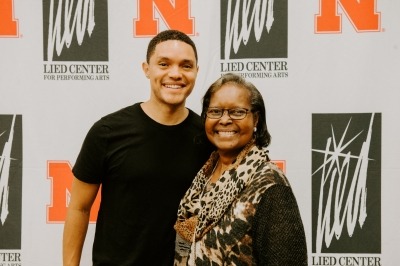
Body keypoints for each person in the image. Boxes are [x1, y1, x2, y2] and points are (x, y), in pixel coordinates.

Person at [63, 30, 213, 266]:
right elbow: (79, 208)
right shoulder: (107, 132)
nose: (175, 74)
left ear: (196, 71)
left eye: (186, 66)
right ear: (147, 69)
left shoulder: (208, 139)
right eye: (164, 64)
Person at [174, 73, 308, 265]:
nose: (225, 120)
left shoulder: (270, 186)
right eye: (215, 111)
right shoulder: (203, 176)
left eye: (237, 112)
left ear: (256, 120)